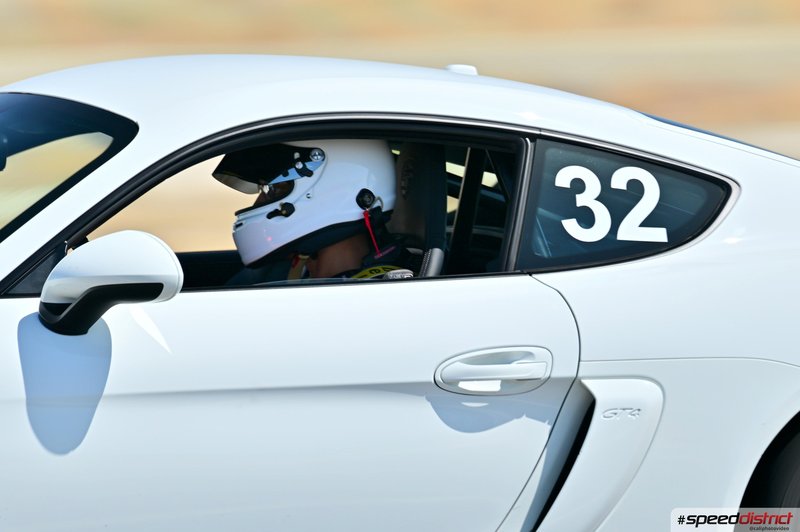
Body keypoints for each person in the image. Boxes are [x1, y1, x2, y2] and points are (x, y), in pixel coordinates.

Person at [213, 139, 417, 282]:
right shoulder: (297, 274)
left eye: (274, 189)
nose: (260, 200)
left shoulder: (369, 299)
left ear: (334, 186)